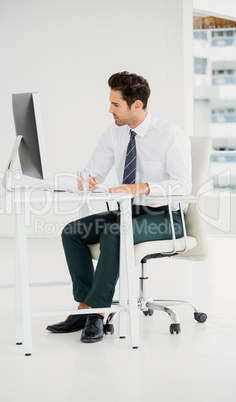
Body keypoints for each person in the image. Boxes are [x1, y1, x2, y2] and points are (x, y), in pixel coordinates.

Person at [46, 71, 192, 343]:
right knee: (72, 232)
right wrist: (87, 180)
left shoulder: (170, 135)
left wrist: (142, 187)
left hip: (165, 217)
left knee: (115, 231)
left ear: (136, 104)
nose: (109, 110)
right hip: (127, 212)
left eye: (115, 105)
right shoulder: (115, 132)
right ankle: (85, 307)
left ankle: (100, 314)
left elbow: (183, 185)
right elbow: (93, 172)